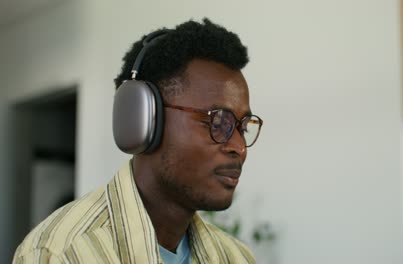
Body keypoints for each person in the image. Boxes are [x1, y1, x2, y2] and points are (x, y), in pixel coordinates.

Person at [13, 18, 262, 263]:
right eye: (219, 122)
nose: (239, 148)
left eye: (242, 127)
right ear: (144, 122)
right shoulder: (60, 253)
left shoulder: (236, 257)